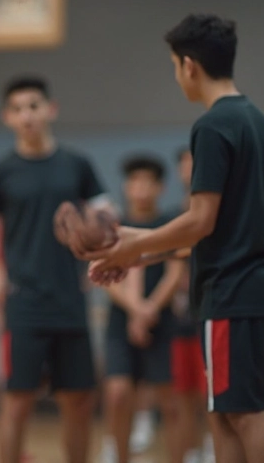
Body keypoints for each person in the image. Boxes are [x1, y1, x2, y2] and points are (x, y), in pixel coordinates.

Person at [84, 14, 264, 463]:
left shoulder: (212, 126)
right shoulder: (258, 121)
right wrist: (136, 251)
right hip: (251, 285)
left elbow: (201, 221)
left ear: (189, 65)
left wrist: (133, 247)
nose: (177, 76)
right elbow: (222, 227)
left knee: (247, 415)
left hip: (232, 292)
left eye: (175, 66)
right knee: (225, 416)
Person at [0, 75, 113, 463]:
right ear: (7, 117)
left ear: (51, 109)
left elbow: (106, 216)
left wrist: (98, 250)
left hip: (70, 302)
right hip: (23, 305)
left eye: (33, 106)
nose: (27, 115)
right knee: (16, 403)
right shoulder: (0, 173)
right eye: (17, 109)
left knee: (80, 400)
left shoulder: (77, 165)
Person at [97, 156, 185, 463]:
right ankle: (120, 455)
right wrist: (135, 309)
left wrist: (150, 309)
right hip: (121, 320)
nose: (141, 188)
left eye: (149, 181)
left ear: (160, 187)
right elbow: (107, 279)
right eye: (135, 181)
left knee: (171, 403)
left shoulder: (171, 225)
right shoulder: (113, 227)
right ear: (126, 186)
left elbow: (176, 273)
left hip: (161, 319)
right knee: (118, 395)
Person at [167, 147, 214, 463]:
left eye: (193, 163)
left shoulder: (215, 210)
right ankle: (191, 452)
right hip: (182, 316)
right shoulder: (173, 215)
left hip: (211, 310)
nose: (188, 169)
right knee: (182, 393)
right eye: (184, 164)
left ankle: (214, 447)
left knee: (210, 393)